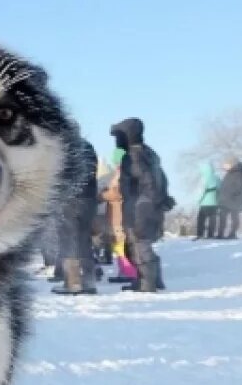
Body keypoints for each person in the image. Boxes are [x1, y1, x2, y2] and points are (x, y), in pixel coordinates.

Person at [110, 117, 166, 293]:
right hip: (148, 205)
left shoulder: (133, 156)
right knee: (141, 243)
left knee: (139, 243)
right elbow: (161, 179)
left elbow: (146, 181)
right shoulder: (149, 153)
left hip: (140, 207)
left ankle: (146, 283)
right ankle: (153, 279)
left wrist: (144, 205)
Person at [53, 136, 99, 294]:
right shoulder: (88, 147)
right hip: (89, 200)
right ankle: (89, 280)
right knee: (84, 240)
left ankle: (72, 282)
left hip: (69, 200)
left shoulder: (64, 146)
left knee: (68, 240)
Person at [101, 147, 137, 284]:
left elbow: (117, 193)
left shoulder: (122, 174)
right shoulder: (125, 172)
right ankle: (125, 270)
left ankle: (128, 272)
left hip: (119, 213)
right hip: (118, 212)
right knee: (118, 243)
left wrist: (102, 195)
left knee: (120, 244)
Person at [217, 158, 242, 239]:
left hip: (234, 199)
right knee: (222, 217)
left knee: (234, 217)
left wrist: (230, 193)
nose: (224, 167)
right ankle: (220, 234)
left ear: (231, 164)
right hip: (225, 199)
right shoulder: (229, 173)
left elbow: (239, 186)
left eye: (226, 165)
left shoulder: (238, 173)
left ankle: (233, 233)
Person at [194, 160, 221, 239]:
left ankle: (200, 234)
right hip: (214, 202)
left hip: (205, 202)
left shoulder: (204, 178)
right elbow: (220, 189)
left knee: (201, 219)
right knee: (213, 219)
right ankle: (211, 234)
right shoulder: (216, 178)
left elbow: (201, 191)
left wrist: (198, 200)